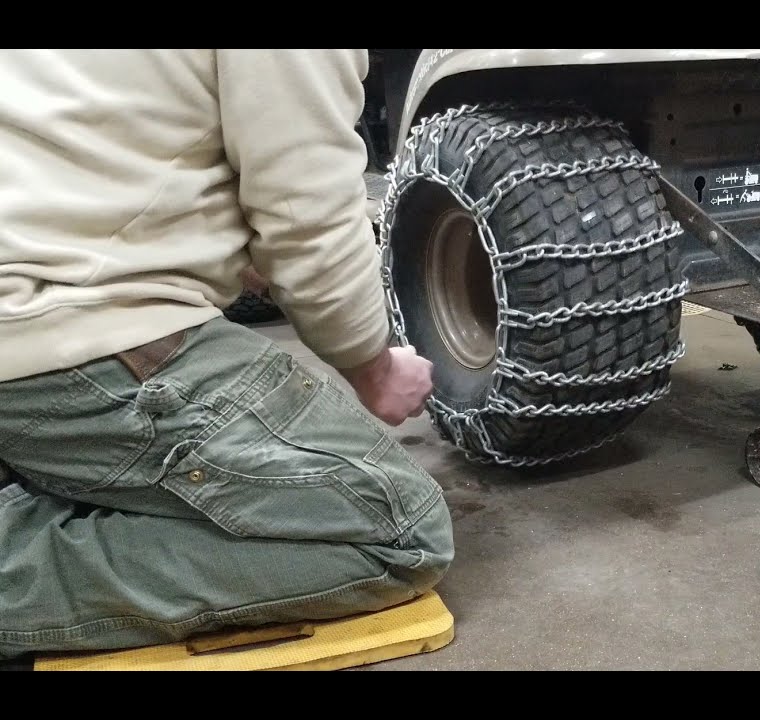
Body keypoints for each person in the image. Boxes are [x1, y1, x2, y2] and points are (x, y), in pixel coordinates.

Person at [0, 49, 454, 662]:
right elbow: (305, 207)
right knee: (398, 531)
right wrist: (372, 366)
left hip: (31, 303)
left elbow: (111, 145)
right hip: (67, 334)